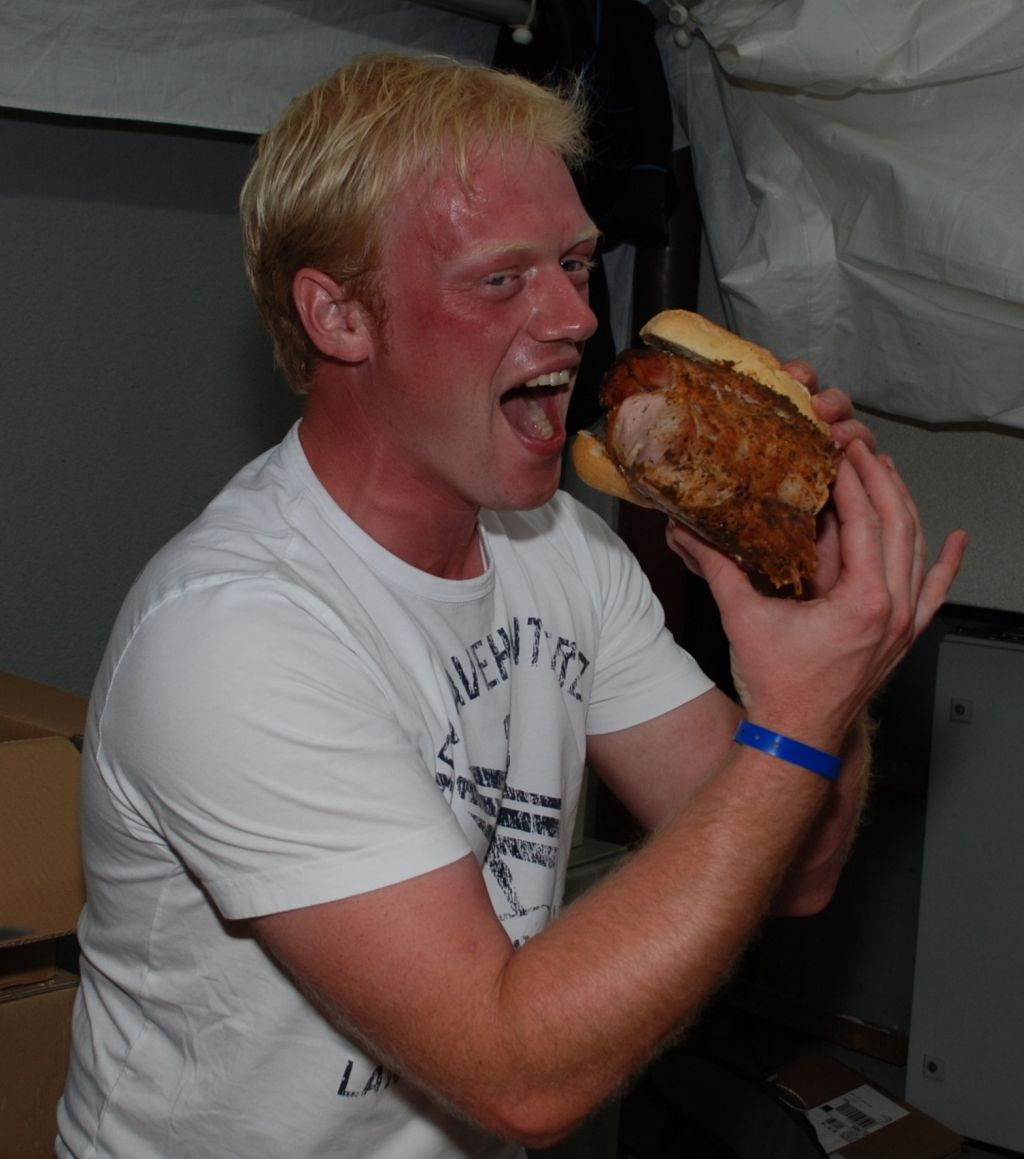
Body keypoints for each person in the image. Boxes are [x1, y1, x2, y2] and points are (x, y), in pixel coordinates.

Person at [57, 52, 967, 1159]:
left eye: (576, 263)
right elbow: (519, 1073)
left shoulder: (564, 554)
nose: (577, 316)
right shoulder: (231, 636)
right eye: (501, 279)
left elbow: (798, 866)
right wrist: (794, 723)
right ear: (339, 316)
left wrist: (824, 636)